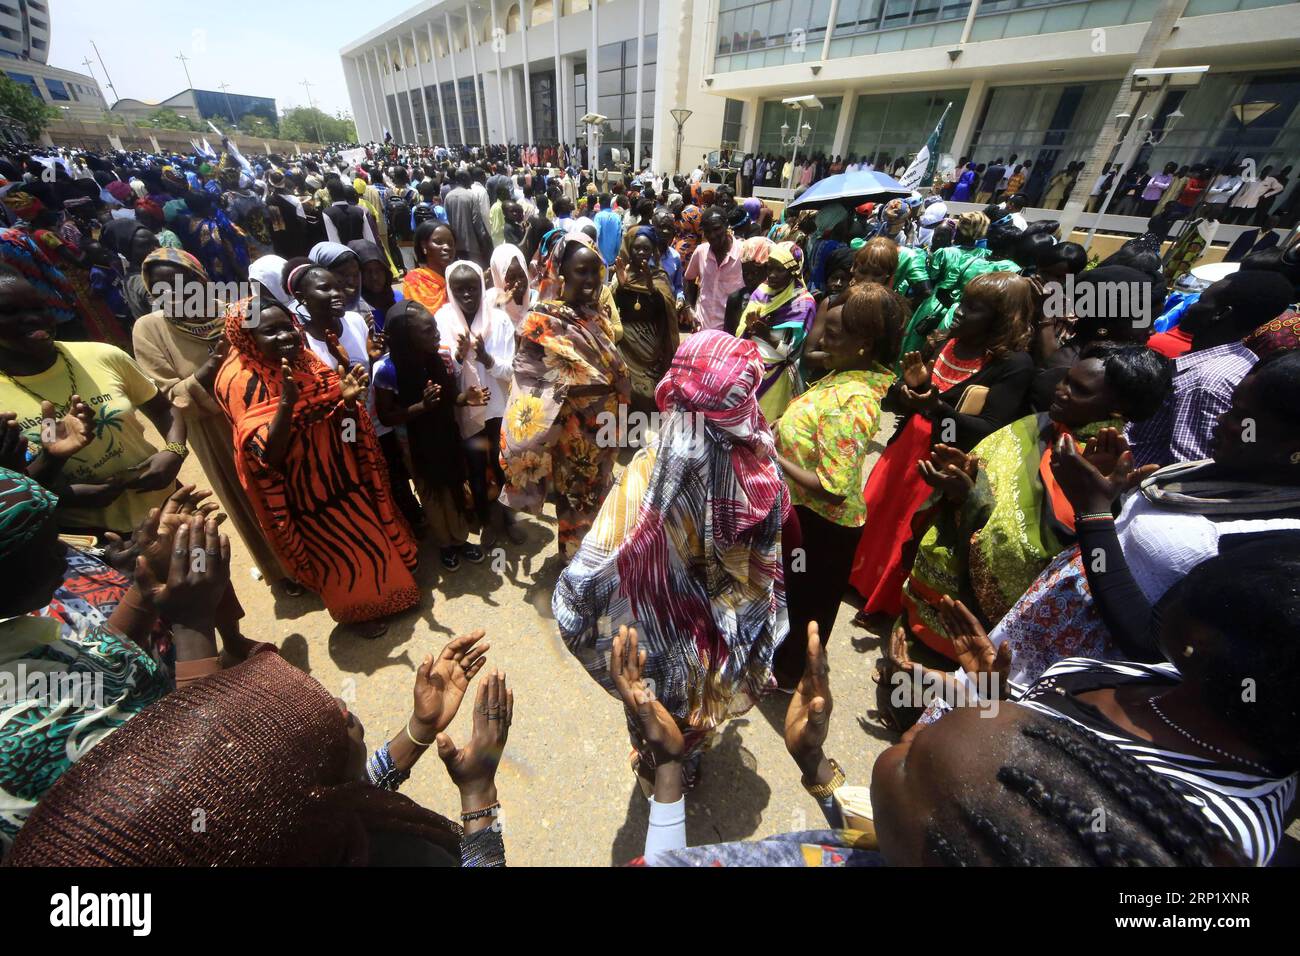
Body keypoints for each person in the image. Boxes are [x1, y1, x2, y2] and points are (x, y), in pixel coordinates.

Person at [7, 638, 513, 866]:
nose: (346, 711)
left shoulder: (279, 840)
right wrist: (478, 791)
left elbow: (319, 800)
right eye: (341, 727)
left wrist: (420, 728)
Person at [553, 332, 790, 788]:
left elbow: (597, 559)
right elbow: (768, 568)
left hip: (648, 632)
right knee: (699, 708)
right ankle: (687, 763)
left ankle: (654, 764)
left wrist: (581, 599)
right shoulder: (764, 473)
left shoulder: (653, 463)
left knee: (646, 703)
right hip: (718, 641)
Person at [986, 350, 1300, 685]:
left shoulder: (1274, 542)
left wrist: (1094, 513)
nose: (1223, 420)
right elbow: (1126, 541)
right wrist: (1115, 493)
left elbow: (1151, 643)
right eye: (1232, 406)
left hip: (1071, 677)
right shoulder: (1217, 471)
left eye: (1244, 417)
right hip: (1031, 632)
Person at [895, 345, 1171, 671]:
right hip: (936, 592)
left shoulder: (1096, 467)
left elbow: (1038, 550)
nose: (1061, 390)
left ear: (1116, 411)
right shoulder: (1039, 424)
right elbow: (991, 480)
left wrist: (972, 494)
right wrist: (967, 478)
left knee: (938, 692)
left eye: (1078, 390)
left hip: (976, 633)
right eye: (1065, 380)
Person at [0, 468, 232, 851]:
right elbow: (196, 776)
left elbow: (93, 670)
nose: (67, 552)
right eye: (48, 545)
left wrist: (147, 584)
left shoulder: (14, 641)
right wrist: (193, 623)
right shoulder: (17, 737)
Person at [214, 295, 418, 638]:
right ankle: (354, 614)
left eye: (287, 327)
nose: (285, 337)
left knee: (368, 536)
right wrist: (286, 406)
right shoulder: (237, 381)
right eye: (270, 332)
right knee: (335, 557)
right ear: (248, 339)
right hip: (304, 493)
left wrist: (348, 404)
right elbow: (264, 457)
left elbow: (338, 418)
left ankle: (392, 595)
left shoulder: (307, 361)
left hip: (343, 473)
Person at [849, 272, 1036, 620]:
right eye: (963, 303)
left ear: (1001, 318)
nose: (960, 312)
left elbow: (990, 428)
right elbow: (908, 397)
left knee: (909, 527)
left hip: (942, 460)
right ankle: (854, 578)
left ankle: (884, 603)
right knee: (878, 513)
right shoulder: (947, 341)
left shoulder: (1012, 365)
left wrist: (935, 408)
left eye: (974, 308)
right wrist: (906, 393)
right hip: (906, 446)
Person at [130, 248, 293, 591]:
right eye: (161, 286)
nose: (174, 291)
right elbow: (167, 396)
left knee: (289, 483)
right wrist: (207, 371)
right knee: (248, 497)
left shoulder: (232, 310)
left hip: (261, 411)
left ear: (200, 279)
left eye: (183, 280)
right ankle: (281, 570)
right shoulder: (149, 329)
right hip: (213, 427)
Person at [773, 285, 902, 683]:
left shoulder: (854, 400)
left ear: (863, 344)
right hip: (806, 517)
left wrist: (773, 454)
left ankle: (792, 678)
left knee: (805, 609)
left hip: (821, 527)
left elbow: (832, 486)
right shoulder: (843, 374)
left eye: (832, 334)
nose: (821, 341)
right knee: (794, 600)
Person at [0, 270, 188, 535]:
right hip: (93, 542)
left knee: (203, 569)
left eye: (39, 307)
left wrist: (175, 451)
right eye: (9, 311)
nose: (33, 318)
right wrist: (60, 491)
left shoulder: (103, 356)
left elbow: (163, 407)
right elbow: (7, 496)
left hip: (170, 510)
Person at [500, 231, 630, 560]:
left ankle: (597, 558)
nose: (589, 279)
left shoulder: (596, 313)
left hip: (605, 426)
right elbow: (529, 377)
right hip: (572, 430)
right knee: (575, 498)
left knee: (600, 492)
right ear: (561, 274)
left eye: (595, 271)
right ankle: (575, 566)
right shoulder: (544, 319)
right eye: (580, 271)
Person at [1127, 271, 1293, 467]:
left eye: (1201, 300)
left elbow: (1187, 465)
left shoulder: (1205, 381)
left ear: (1220, 313)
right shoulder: (1244, 358)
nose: (1190, 305)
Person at [373, 299, 488, 570]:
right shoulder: (387, 371)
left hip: (446, 435)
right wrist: (421, 407)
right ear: (406, 338)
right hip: (415, 444)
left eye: (434, 327)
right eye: (426, 331)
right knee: (431, 493)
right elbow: (387, 416)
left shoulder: (443, 356)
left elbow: (448, 397)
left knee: (454, 485)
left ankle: (460, 539)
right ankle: (445, 544)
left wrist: (464, 398)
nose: (435, 334)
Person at [436, 260, 516, 547]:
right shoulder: (442, 320)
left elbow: (512, 369)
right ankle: (486, 520)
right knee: (475, 467)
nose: (467, 295)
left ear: (481, 287)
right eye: (459, 289)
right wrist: (458, 359)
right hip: (467, 410)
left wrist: (487, 360)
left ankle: (508, 517)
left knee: (503, 463)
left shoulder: (500, 320)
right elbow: (441, 374)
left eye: (472, 287)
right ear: (450, 290)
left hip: (497, 409)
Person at [735, 241, 817, 422]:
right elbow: (741, 331)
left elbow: (791, 352)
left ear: (794, 271)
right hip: (747, 372)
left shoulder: (802, 303)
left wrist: (765, 333)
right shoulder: (761, 292)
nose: (771, 275)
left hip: (775, 379)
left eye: (779, 270)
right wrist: (750, 328)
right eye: (770, 268)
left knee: (765, 426)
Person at [611, 226, 680, 416]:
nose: (641, 253)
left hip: (651, 345)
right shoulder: (620, 273)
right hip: (626, 343)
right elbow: (611, 307)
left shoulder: (659, 276)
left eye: (646, 249)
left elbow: (666, 311)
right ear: (629, 248)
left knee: (648, 394)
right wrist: (622, 286)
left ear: (652, 251)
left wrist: (652, 289)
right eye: (637, 248)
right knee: (626, 390)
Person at [684, 207, 744, 332]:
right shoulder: (701, 251)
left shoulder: (743, 253)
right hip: (702, 329)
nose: (712, 235)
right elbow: (688, 279)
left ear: (727, 225)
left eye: (717, 229)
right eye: (707, 231)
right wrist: (689, 307)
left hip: (730, 332)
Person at [401, 220, 456, 317]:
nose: (447, 247)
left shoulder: (459, 274)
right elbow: (424, 317)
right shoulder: (414, 280)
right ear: (424, 246)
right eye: (438, 242)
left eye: (451, 243)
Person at [348, 238, 402, 329]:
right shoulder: (352, 311)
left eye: (379, 270)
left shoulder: (398, 298)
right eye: (367, 272)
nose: (374, 277)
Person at [444, 169, 492, 268]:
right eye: (469, 179)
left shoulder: (448, 197)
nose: (471, 182)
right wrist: (484, 244)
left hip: (455, 247)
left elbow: (447, 221)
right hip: (472, 248)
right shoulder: (470, 196)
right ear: (463, 179)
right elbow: (477, 223)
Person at [488, 243, 533, 329]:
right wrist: (498, 306)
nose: (518, 282)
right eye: (512, 278)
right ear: (499, 277)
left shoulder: (535, 300)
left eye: (522, 275)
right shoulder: (488, 303)